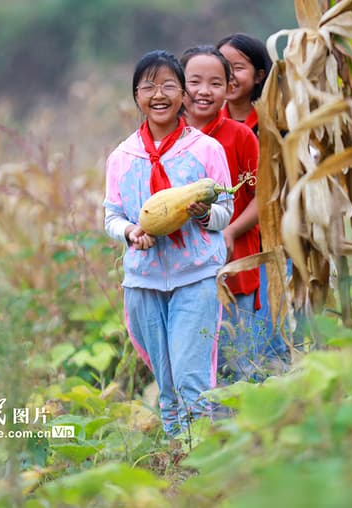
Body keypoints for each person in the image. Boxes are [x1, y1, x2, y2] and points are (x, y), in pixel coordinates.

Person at [103, 49, 233, 437]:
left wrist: (203, 215)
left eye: (168, 86)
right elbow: (112, 216)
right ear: (136, 96)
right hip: (143, 280)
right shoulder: (121, 157)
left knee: (192, 378)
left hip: (196, 276)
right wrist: (130, 232)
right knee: (167, 384)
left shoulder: (207, 150)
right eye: (148, 87)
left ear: (183, 95)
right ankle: (177, 459)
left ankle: (201, 455)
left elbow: (225, 212)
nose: (158, 95)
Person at [180, 45, 261, 383]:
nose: (204, 91)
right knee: (190, 365)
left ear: (228, 88)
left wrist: (230, 231)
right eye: (194, 82)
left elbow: (262, 198)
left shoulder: (240, 136)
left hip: (234, 264)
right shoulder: (167, 136)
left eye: (215, 83)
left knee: (236, 366)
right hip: (181, 269)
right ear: (179, 86)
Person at [216, 33, 291, 367]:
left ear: (260, 75)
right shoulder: (207, 124)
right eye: (223, 67)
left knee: (270, 344)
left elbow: (274, 189)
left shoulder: (277, 124)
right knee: (232, 346)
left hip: (271, 247)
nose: (229, 76)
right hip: (225, 249)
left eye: (238, 68)